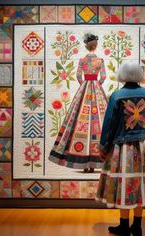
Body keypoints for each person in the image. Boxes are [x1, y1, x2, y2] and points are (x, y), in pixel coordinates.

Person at [95, 61, 145, 236]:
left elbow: (109, 124)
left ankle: (123, 225)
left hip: (122, 149)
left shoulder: (117, 95)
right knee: (141, 186)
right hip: (144, 148)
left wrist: (103, 145)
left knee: (124, 184)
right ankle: (137, 226)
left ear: (122, 75)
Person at [49, 33, 108, 173]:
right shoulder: (100, 60)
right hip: (96, 88)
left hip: (85, 87)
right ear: (96, 45)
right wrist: (98, 84)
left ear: (86, 45)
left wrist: (84, 85)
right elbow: (104, 76)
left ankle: (82, 162)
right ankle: (95, 162)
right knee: (99, 120)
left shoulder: (82, 60)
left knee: (79, 118)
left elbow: (78, 75)